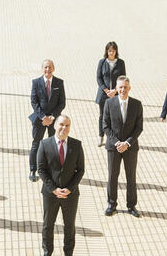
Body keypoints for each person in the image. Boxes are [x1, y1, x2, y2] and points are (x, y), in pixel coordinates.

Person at [37, 114, 84, 256]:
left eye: (67, 125)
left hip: (70, 195)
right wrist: (53, 189)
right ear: (55, 126)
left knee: (69, 226)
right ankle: (47, 252)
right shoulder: (44, 144)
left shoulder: (76, 145)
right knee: (48, 225)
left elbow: (80, 170)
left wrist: (69, 189)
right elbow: (41, 169)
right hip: (51, 194)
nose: (64, 128)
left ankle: (68, 253)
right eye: (61, 124)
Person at [102, 76, 143, 217]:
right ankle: (111, 204)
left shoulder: (137, 104)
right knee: (112, 176)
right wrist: (117, 142)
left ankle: (131, 206)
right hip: (114, 147)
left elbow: (139, 128)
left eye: (125, 87)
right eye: (120, 87)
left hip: (130, 148)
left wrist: (127, 143)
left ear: (129, 88)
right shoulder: (109, 103)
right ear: (116, 88)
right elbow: (105, 126)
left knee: (131, 177)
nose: (122, 90)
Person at [29, 59, 65, 181]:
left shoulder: (59, 83)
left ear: (53, 69)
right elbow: (34, 102)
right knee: (36, 144)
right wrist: (43, 117)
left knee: (53, 145)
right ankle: (33, 170)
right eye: (45, 67)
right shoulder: (36, 82)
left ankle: (52, 169)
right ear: (42, 69)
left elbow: (62, 103)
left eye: (50, 67)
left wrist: (52, 117)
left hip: (53, 120)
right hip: (40, 120)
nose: (48, 70)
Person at [94, 42, 126, 147]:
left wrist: (115, 91)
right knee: (102, 116)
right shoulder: (102, 62)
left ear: (116, 51)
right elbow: (99, 78)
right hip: (104, 95)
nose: (111, 53)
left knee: (115, 116)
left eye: (113, 50)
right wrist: (106, 90)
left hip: (116, 94)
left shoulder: (121, 63)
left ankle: (113, 137)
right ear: (107, 51)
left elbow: (123, 78)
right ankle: (101, 136)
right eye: (109, 51)